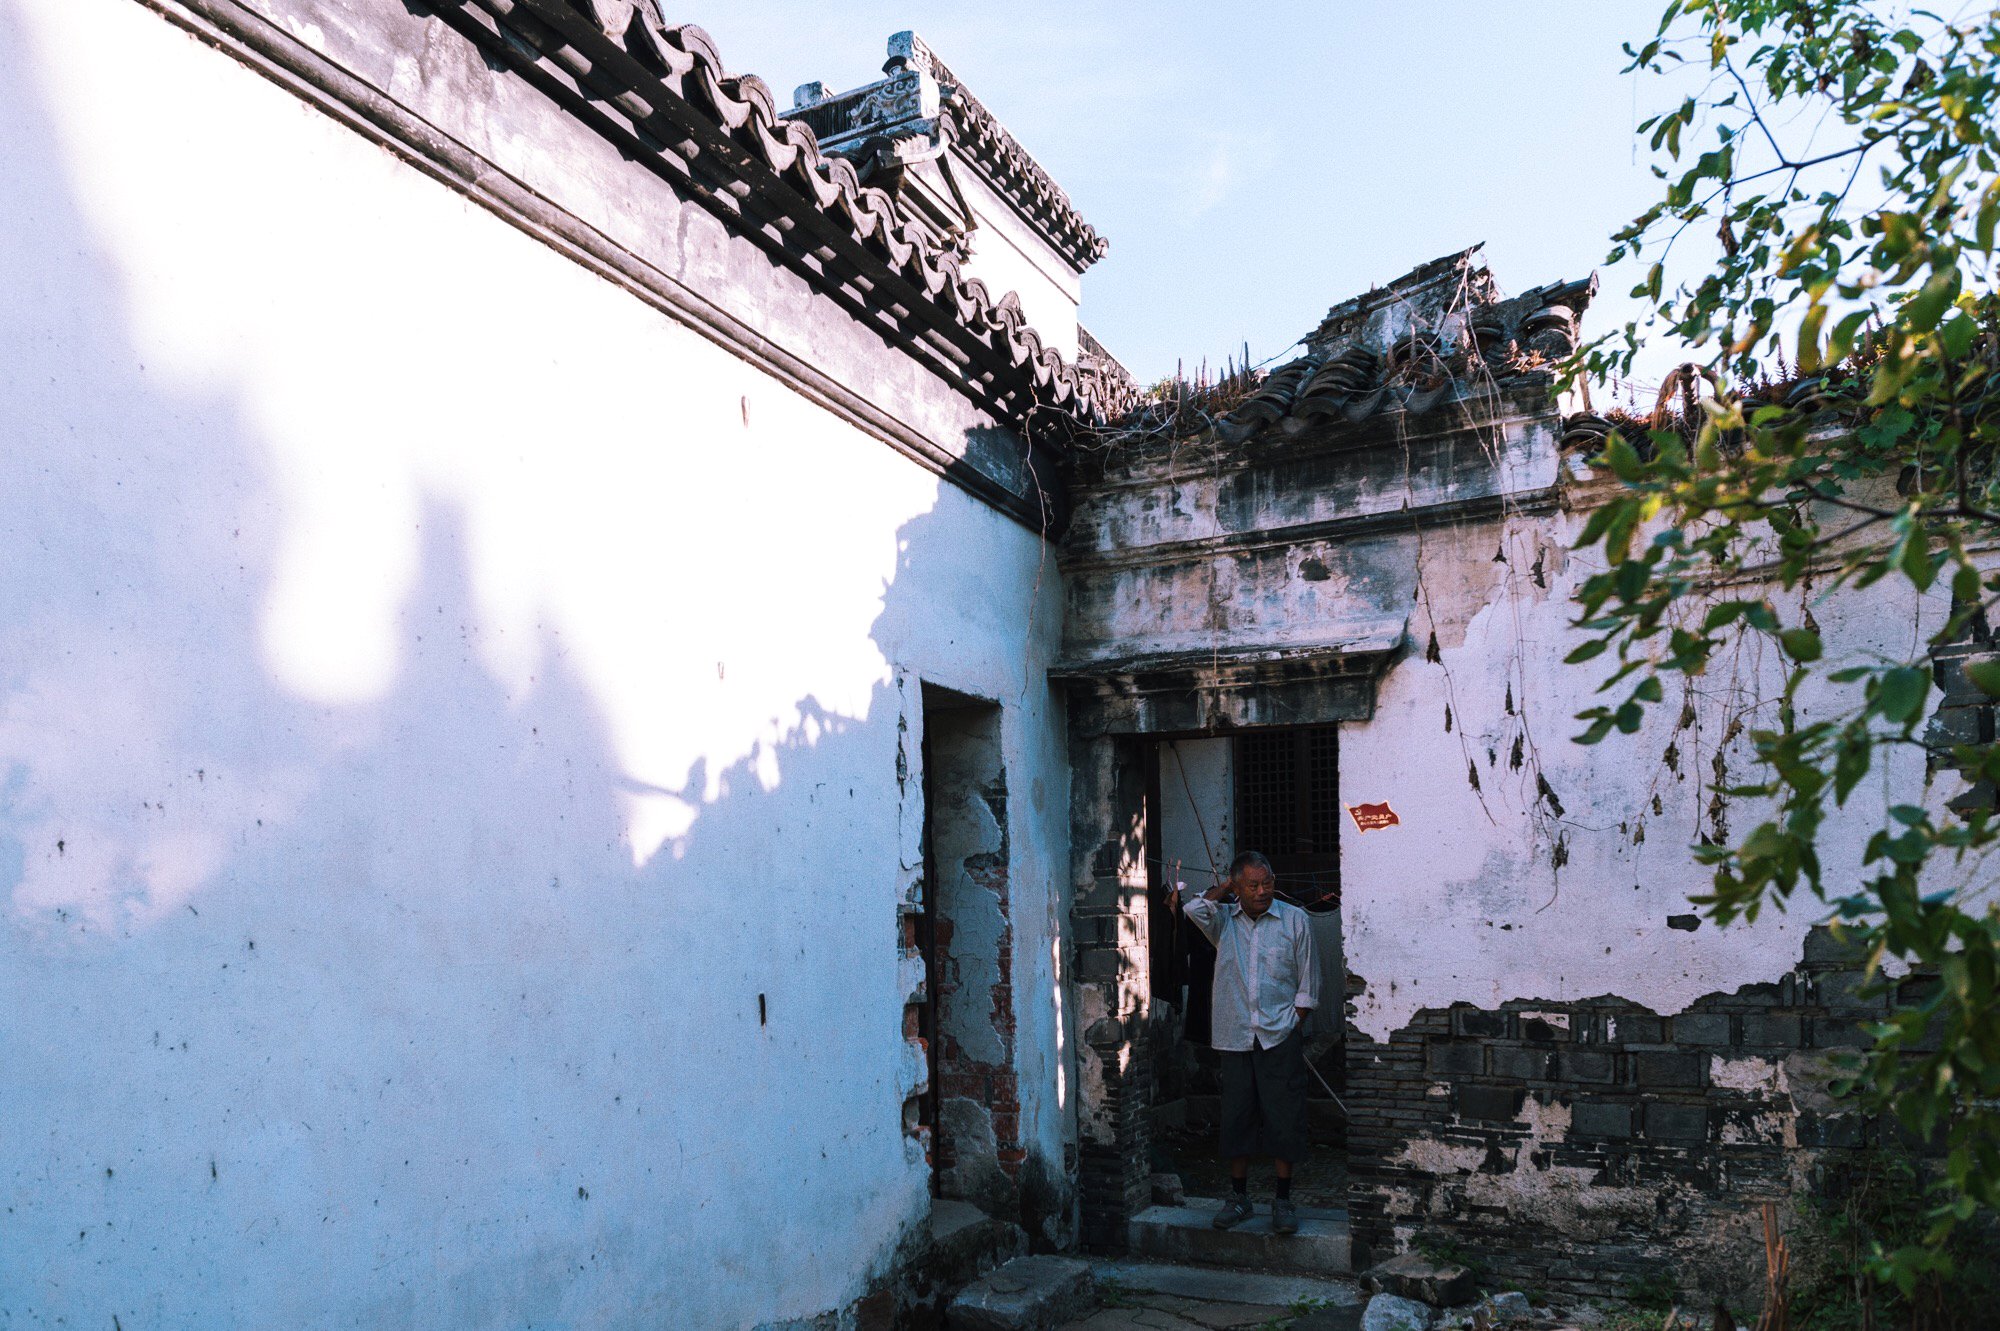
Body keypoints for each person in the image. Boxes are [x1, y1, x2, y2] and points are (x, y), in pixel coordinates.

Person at [1179, 850, 1320, 1233]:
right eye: (1252, 885)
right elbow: (1193, 907)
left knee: (1284, 1117)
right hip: (1235, 1036)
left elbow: (1308, 987)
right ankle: (1238, 1198)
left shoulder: (1295, 920)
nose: (1262, 891)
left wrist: (1293, 1023)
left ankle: (1283, 1202)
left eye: (1267, 882)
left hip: (1280, 1035)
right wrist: (1224, 887)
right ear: (1237, 888)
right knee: (1237, 1118)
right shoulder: (1222, 921)